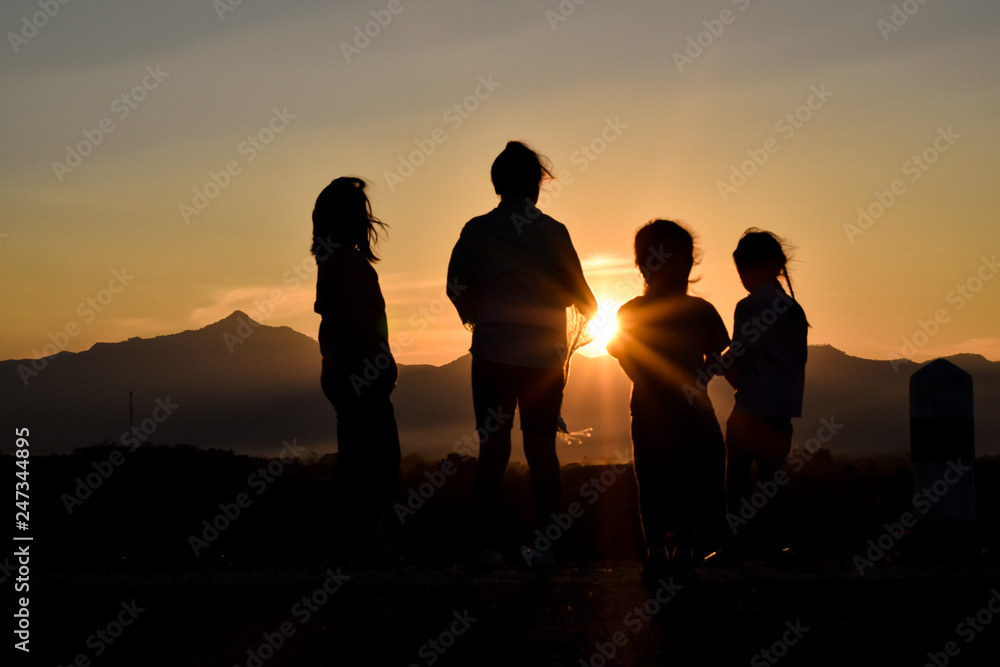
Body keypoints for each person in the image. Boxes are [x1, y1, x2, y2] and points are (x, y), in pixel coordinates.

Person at [447, 141, 597, 567]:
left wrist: (486, 313)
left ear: (496, 183)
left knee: (492, 449)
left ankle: (483, 547)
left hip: (492, 354)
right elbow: (585, 298)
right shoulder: (553, 231)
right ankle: (548, 546)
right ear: (535, 184)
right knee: (541, 451)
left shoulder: (476, 230)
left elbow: (456, 286)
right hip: (543, 360)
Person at [606, 219, 729, 580]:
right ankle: (680, 548)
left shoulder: (631, 311)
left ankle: (659, 550)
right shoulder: (700, 311)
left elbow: (620, 350)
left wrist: (646, 379)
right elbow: (718, 358)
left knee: (655, 477)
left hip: (648, 406)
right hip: (686, 408)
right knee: (687, 475)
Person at [312, 176, 401, 567]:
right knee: (378, 457)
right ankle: (362, 543)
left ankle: (355, 543)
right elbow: (359, 322)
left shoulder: (333, 260)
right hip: (358, 370)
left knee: (359, 456)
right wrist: (381, 362)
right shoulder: (347, 262)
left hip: (342, 369)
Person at [720, 228, 808, 561]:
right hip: (781, 409)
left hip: (751, 408)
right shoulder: (792, 308)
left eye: (742, 269)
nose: (741, 277)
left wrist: (713, 360)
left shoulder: (751, 305)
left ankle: (734, 549)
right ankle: (797, 543)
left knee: (735, 482)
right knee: (773, 479)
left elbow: (737, 355)